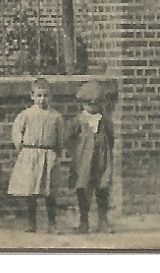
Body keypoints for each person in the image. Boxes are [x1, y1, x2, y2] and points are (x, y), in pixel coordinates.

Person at [7, 77, 64, 232]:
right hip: (30, 154)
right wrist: (21, 146)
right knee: (30, 190)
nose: (42, 99)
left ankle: (52, 223)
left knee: (49, 191)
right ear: (31, 96)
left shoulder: (55, 116)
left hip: (48, 154)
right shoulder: (26, 114)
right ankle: (31, 223)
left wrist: (57, 150)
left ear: (51, 96)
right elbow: (17, 131)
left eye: (46, 95)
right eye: (39, 95)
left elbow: (60, 137)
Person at [67, 81, 115, 233]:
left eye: (96, 104)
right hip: (83, 160)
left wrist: (105, 150)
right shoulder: (79, 121)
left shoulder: (104, 120)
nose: (92, 108)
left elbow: (111, 137)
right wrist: (76, 152)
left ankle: (102, 219)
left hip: (101, 159)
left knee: (102, 187)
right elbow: (69, 138)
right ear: (82, 103)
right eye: (89, 104)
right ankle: (84, 221)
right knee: (83, 188)